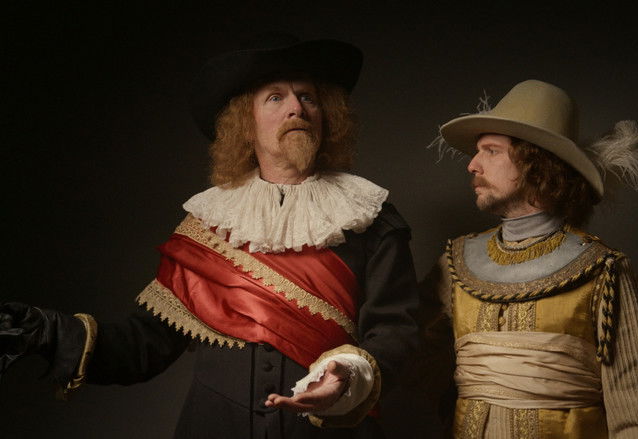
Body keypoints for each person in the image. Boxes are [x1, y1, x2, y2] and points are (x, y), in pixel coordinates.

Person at [0, 34, 419, 438]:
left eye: (307, 96)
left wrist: (347, 376)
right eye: (275, 97)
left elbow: (394, 332)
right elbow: (145, 346)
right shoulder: (208, 224)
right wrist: (50, 332)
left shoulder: (370, 216)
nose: (297, 108)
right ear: (245, 124)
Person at [421, 80, 638, 438]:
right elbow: (407, 356)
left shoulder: (603, 272)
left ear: (536, 161)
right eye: (477, 152)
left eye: (491, 151)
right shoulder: (455, 263)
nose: (472, 165)